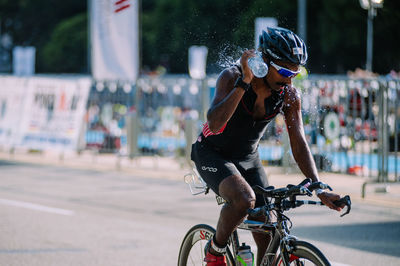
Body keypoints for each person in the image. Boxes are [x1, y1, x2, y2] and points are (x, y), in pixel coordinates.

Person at [190, 27, 343, 266]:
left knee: (268, 230)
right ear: (263, 63)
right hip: (212, 153)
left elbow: (299, 141)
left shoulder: (289, 95)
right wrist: (244, 83)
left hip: (247, 157)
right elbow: (215, 123)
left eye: (296, 72)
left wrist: (318, 186)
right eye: (284, 71)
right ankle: (215, 251)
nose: (290, 79)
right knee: (244, 200)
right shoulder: (232, 77)